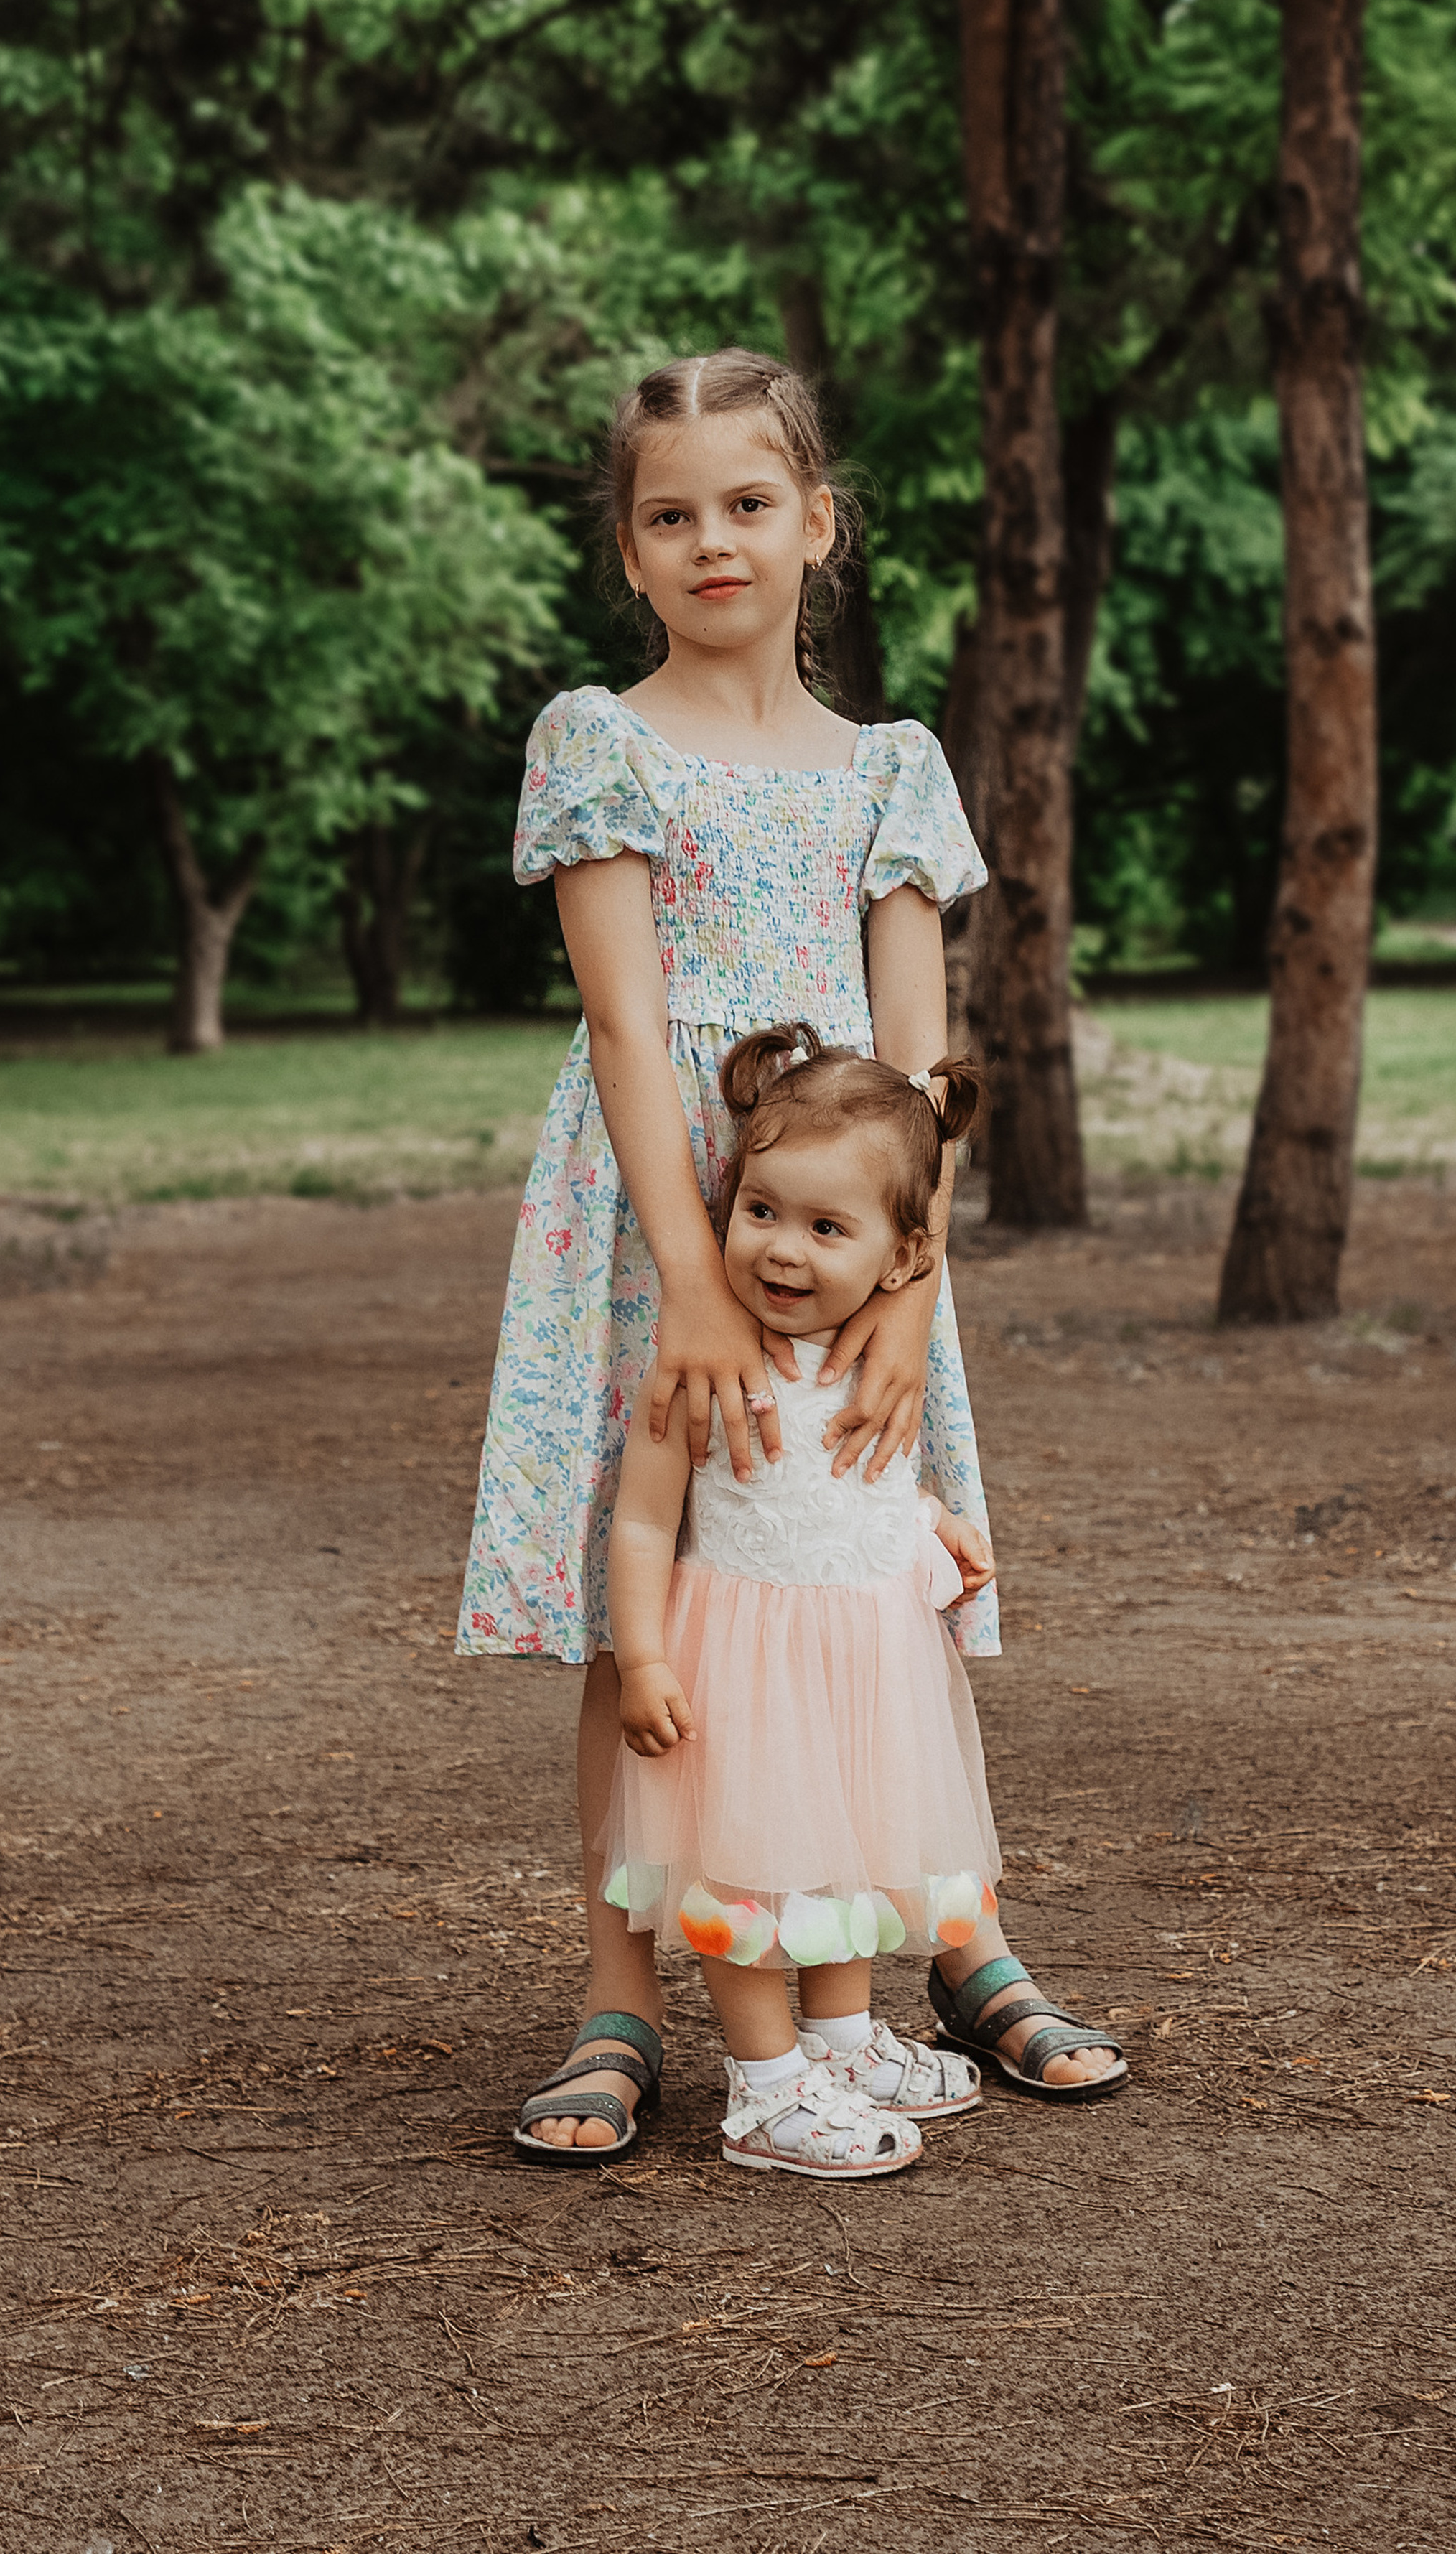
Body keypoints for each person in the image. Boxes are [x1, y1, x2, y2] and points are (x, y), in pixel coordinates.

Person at [457, 346, 1126, 2162]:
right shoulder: (600, 742)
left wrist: (914, 1296)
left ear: (817, 527)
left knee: (862, 1575)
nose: (712, 540)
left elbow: (916, 1074)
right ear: (627, 549)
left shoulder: (887, 769)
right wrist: (682, 1271)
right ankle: (622, 1991)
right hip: (660, 1209)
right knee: (662, 1582)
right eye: (669, 514)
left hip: (859, 1230)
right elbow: (619, 1031)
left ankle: (949, 1939)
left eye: (748, 504)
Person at [602, 1026, 1125, 2177]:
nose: (782, 1251)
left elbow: (864, 1487)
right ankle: (765, 2085)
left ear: (903, 1258)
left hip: (866, 1667)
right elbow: (643, 1521)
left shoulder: (879, 1368)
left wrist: (934, 1529)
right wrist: (642, 1659)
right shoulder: (703, 1371)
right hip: (744, 1672)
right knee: (749, 1874)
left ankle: (838, 2041)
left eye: (827, 1229)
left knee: (848, 1859)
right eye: (762, 1212)